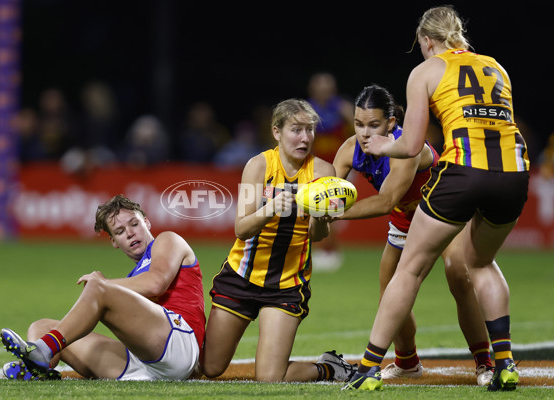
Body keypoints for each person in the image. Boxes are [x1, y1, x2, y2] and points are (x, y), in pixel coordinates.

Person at [342, 6, 529, 391]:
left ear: (427, 41)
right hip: (514, 170)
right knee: (481, 264)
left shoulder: (425, 71)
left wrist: (380, 144)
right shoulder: (497, 66)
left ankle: (368, 367)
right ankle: (504, 363)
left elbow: (410, 145)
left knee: (409, 270)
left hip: (464, 170)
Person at [333, 84, 493, 385]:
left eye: (373, 124)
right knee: (390, 293)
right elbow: (328, 189)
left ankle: (485, 363)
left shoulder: (408, 146)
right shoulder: (349, 149)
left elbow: (385, 200)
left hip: (444, 212)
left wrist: (333, 213)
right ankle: (407, 363)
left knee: (458, 274)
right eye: (358, 124)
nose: (364, 133)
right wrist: (308, 202)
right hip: (406, 220)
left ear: (391, 123)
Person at [201, 98, 356, 382]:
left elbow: (318, 237)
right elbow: (241, 228)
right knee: (210, 368)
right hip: (241, 277)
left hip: (286, 284)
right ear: (277, 132)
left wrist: (321, 217)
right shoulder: (258, 166)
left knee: (269, 379)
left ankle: (329, 368)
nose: (305, 137)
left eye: (310, 130)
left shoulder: (323, 173)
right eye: (297, 129)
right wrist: (269, 208)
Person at [0, 194, 206, 381]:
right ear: (114, 242)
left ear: (147, 222)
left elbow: (156, 283)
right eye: (120, 231)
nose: (130, 233)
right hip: (145, 363)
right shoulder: (131, 278)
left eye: (134, 224)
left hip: (180, 346)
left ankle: (43, 350)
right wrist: (104, 287)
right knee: (41, 327)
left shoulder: (168, 240)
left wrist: (102, 285)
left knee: (98, 288)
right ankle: (35, 369)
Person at [307, 72, 355, 271]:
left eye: (328, 87)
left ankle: (330, 251)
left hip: (340, 165)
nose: (325, 91)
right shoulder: (307, 110)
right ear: (313, 89)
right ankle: (319, 251)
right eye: (321, 87)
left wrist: (349, 117)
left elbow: (357, 134)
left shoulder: (342, 108)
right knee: (312, 209)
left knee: (331, 209)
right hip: (315, 164)